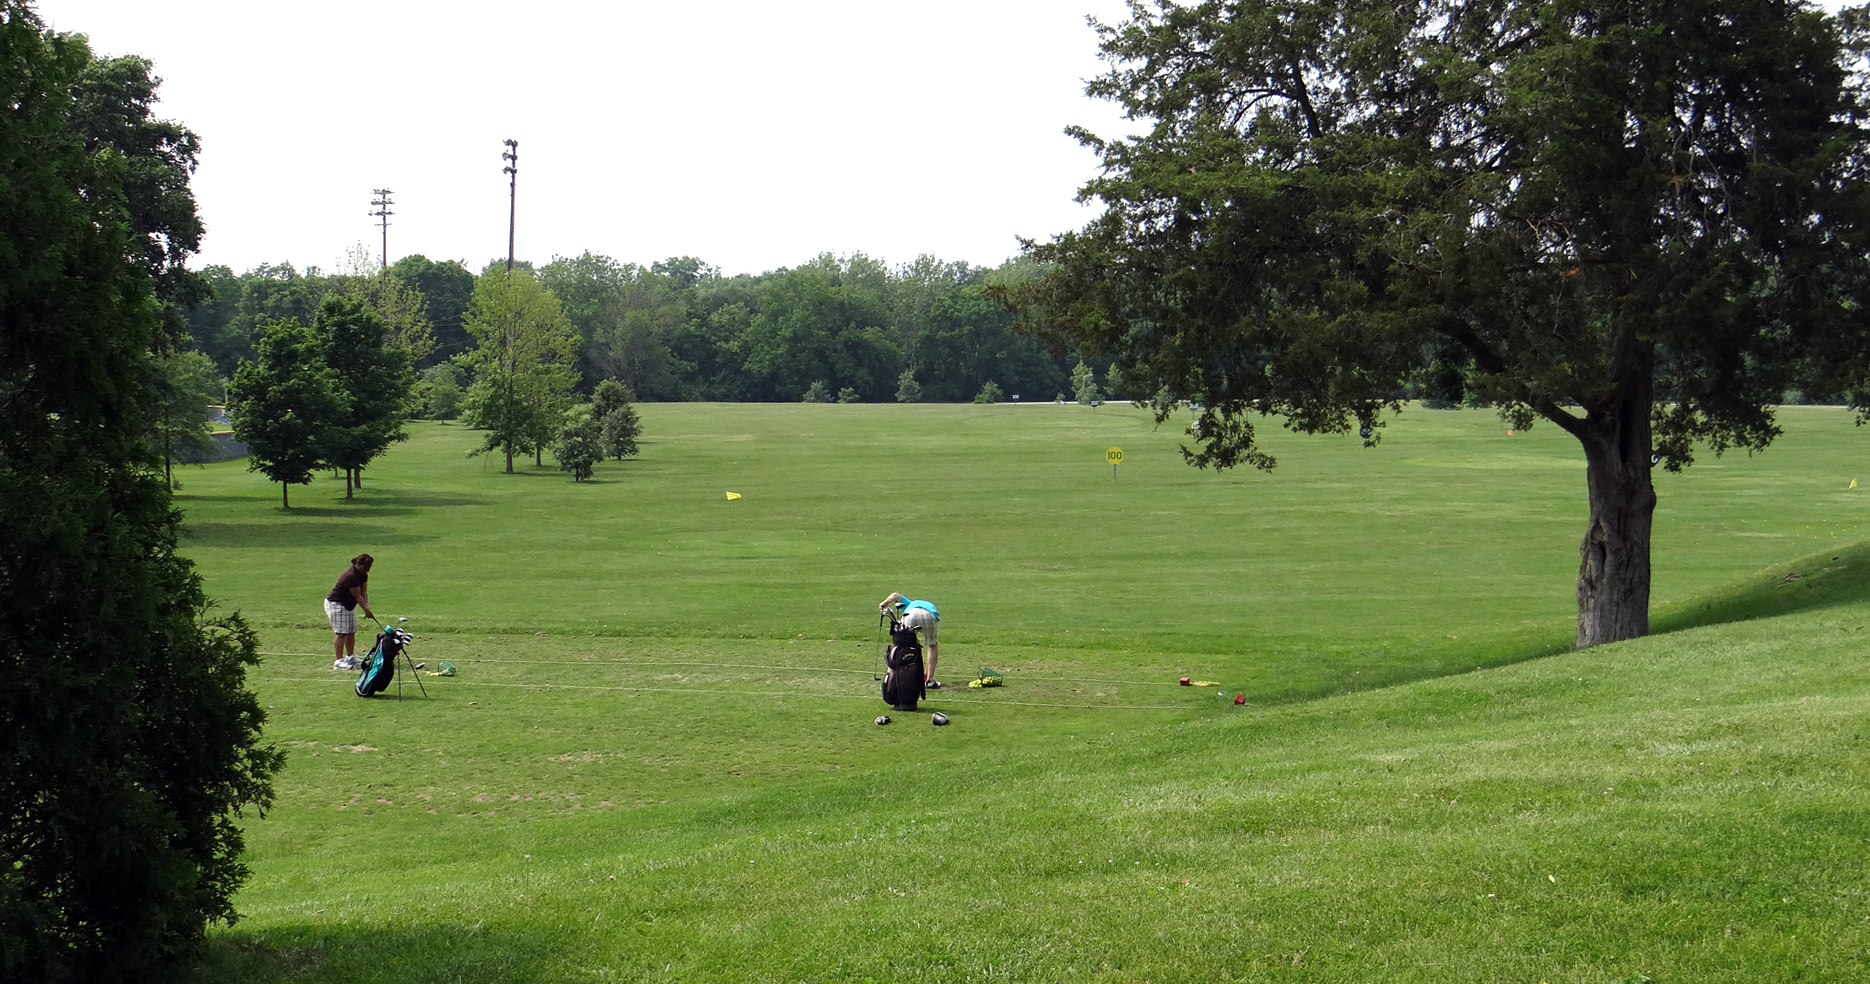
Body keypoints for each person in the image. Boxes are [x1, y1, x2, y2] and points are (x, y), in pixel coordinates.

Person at [879, 592, 941, 688]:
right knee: (932, 645)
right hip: (929, 614)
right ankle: (930, 680)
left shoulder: (908, 605)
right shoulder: (925, 605)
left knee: (902, 645)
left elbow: (895, 595)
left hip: (909, 615)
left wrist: (885, 603)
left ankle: (896, 676)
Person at [326, 553, 377, 662]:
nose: (367, 570)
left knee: (351, 631)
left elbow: (364, 591)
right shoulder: (351, 576)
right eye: (366, 567)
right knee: (341, 633)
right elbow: (357, 596)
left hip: (349, 605)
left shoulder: (363, 574)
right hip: (336, 604)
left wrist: (367, 606)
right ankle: (339, 661)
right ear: (359, 564)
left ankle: (350, 657)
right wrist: (367, 611)